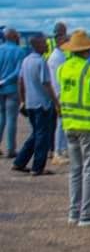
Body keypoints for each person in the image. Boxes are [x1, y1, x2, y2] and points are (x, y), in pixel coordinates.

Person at [57, 30, 90, 226]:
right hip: (88, 124)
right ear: (87, 50)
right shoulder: (89, 69)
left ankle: (74, 211)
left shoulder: (62, 68)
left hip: (69, 124)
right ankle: (87, 212)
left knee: (76, 170)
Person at [12, 34, 60, 176]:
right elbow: (46, 84)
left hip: (31, 103)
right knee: (42, 137)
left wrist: (23, 100)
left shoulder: (26, 61)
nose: (46, 46)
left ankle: (20, 161)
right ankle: (38, 167)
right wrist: (56, 102)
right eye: (44, 43)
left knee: (36, 134)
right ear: (38, 45)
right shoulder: (41, 62)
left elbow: (20, 81)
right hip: (42, 104)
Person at [0, 28, 25, 158]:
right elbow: (18, 72)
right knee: (11, 119)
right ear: (14, 37)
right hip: (11, 88)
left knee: (1, 116)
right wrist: (6, 80)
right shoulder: (19, 51)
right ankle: (10, 149)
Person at [47, 30, 70, 166]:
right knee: (61, 124)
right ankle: (58, 151)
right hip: (60, 93)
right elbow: (57, 79)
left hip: (60, 92)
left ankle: (61, 149)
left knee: (63, 123)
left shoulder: (59, 55)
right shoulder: (57, 57)